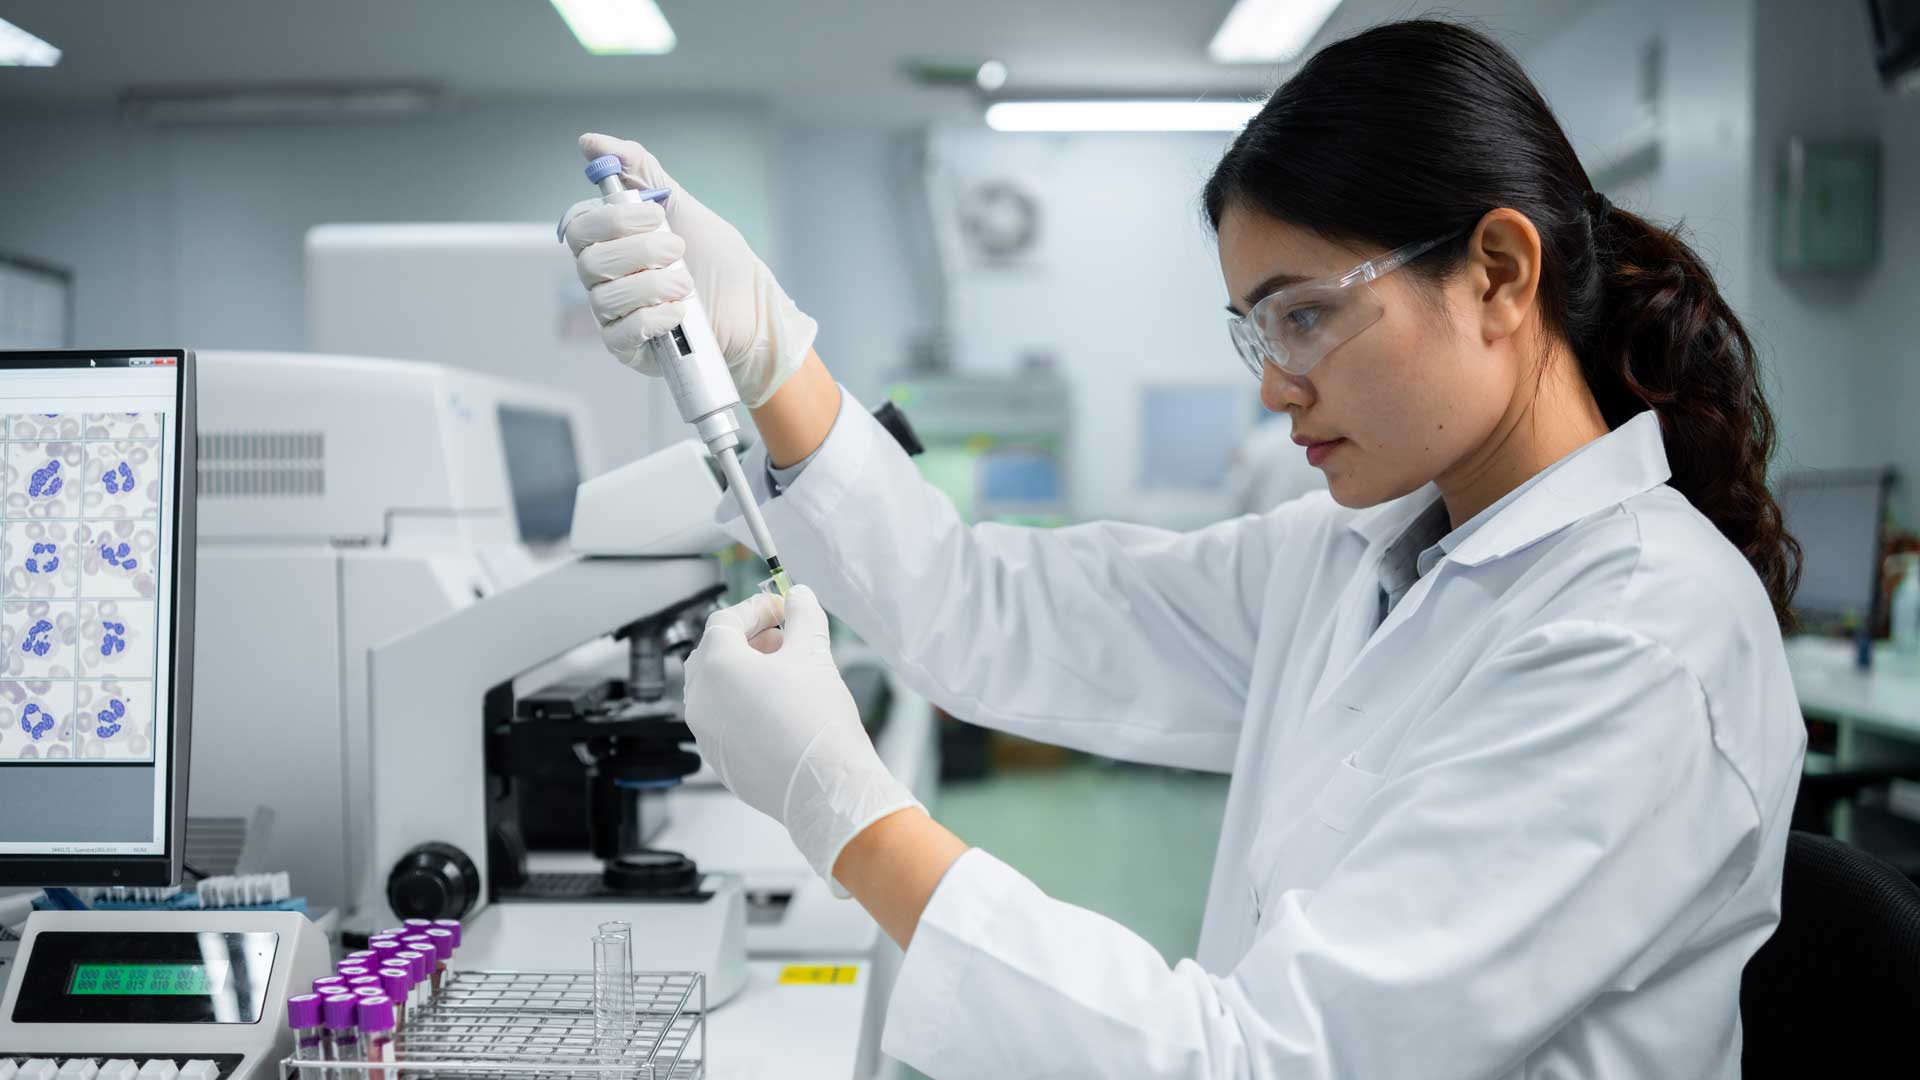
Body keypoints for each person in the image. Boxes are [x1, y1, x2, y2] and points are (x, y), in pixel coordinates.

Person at [559, 19, 1805, 1078]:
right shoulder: (1358, 557)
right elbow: (982, 607)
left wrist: (848, 815)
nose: (1275, 386)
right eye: (1256, 331)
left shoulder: (1642, 640)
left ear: (1498, 272)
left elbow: (1262, 1062)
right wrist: (768, 351)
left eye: (1306, 316)